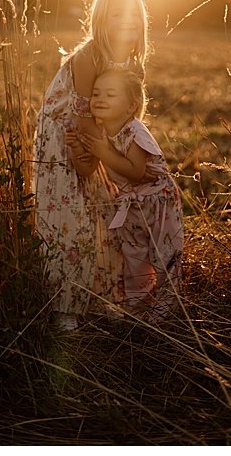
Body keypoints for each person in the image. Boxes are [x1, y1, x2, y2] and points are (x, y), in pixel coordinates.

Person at [33, 0, 148, 330]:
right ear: (101, 20)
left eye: (132, 16)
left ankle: (99, 297)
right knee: (70, 220)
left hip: (101, 137)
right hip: (64, 138)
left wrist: (118, 153)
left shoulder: (133, 61)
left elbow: (131, 111)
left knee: (107, 216)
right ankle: (64, 304)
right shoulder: (89, 57)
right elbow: (81, 117)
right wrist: (88, 160)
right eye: (116, 15)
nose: (126, 22)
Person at [78, 68, 184, 319]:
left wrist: (103, 153)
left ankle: (167, 307)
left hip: (158, 204)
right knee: (133, 253)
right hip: (132, 206)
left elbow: (136, 171)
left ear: (130, 107)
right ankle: (138, 303)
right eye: (96, 93)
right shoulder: (103, 131)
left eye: (110, 95)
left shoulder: (135, 130)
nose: (100, 99)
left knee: (165, 253)